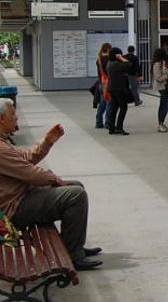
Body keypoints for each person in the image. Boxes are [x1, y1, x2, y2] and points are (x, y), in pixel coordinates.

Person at [0, 99, 102, 270]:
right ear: (1, 119)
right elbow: (30, 173)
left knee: (76, 186)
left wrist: (47, 142)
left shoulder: (3, 142)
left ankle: (74, 245)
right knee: (75, 195)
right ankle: (73, 255)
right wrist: (54, 178)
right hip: (12, 209)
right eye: (13, 115)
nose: (16, 118)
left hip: (20, 197)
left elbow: (27, 157)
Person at [105, 48, 132, 135]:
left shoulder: (109, 63)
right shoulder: (116, 64)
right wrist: (121, 58)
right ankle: (119, 128)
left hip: (112, 88)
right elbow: (129, 64)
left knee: (114, 108)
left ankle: (111, 128)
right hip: (119, 89)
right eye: (120, 54)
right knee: (123, 108)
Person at [151, 49, 168, 133]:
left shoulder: (162, 63)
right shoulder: (157, 64)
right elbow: (158, 78)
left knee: (164, 105)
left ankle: (161, 123)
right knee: (165, 105)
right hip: (162, 87)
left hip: (164, 86)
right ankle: (160, 123)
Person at [94, 43, 112, 129]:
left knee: (102, 104)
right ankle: (108, 123)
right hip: (108, 84)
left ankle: (98, 122)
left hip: (101, 83)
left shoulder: (99, 59)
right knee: (109, 103)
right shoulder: (109, 59)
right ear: (109, 49)